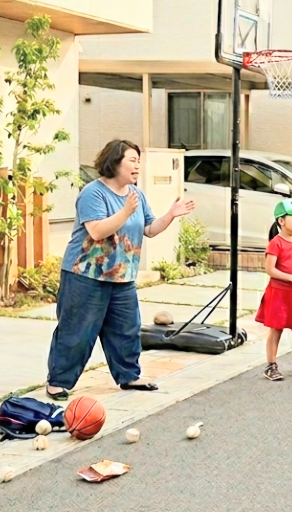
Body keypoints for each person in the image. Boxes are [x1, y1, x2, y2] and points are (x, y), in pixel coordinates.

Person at [46, 139, 194, 400]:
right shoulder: (93, 192)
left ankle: (129, 376)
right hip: (85, 275)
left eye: (139, 160)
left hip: (122, 276)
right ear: (115, 161)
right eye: (132, 160)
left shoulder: (137, 195)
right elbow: (96, 230)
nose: (138, 166)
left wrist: (171, 214)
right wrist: (124, 213)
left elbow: (149, 229)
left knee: (126, 329)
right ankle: (58, 381)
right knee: (77, 331)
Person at [257, 199, 292, 381]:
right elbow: (270, 270)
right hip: (278, 293)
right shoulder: (276, 243)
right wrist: (291, 278)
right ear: (281, 221)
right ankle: (271, 365)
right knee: (277, 329)